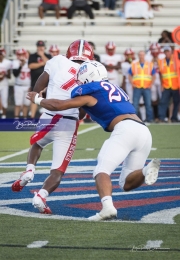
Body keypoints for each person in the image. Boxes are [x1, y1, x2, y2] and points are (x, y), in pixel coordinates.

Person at [27, 60, 160, 220]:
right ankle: (147, 170)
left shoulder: (90, 92)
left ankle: (107, 207)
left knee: (101, 171)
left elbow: (60, 105)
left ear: (87, 78)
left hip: (125, 129)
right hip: (144, 131)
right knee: (125, 183)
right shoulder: (114, 88)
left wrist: (38, 99)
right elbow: (83, 113)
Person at [12, 40, 94, 215]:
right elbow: (84, 107)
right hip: (68, 120)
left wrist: (37, 95)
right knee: (58, 170)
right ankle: (41, 196)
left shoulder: (57, 60)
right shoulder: (93, 69)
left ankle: (29, 170)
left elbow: (40, 84)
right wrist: (79, 118)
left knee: (38, 144)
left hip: (48, 114)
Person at [128, 50, 155, 122]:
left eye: (142, 55)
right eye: (140, 55)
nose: (141, 56)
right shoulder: (134, 64)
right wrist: (132, 83)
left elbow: (154, 75)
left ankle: (150, 119)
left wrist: (151, 84)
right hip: (137, 87)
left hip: (146, 87)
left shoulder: (150, 64)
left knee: (148, 104)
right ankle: (135, 119)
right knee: (135, 104)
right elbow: (130, 75)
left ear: (144, 56)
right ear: (138, 56)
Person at [28, 40, 51, 118]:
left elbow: (49, 64)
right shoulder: (32, 56)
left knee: (46, 99)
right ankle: (32, 117)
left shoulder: (48, 55)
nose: (40, 48)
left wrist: (42, 56)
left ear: (44, 47)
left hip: (47, 82)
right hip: (35, 81)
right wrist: (42, 63)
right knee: (34, 99)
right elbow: (31, 66)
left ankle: (46, 117)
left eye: (41, 46)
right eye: (39, 46)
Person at [158, 46, 179, 122]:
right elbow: (161, 74)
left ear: (171, 52)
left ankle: (174, 118)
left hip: (175, 85)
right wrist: (161, 85)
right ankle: (161, 117)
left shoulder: (176, 59)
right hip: (166, 85)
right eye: (165, 51)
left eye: (168, 51)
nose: (167, 53)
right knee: (163, 102)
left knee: (176, 102)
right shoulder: (161, 61)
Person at [146, 43, 165, 121]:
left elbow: (163, 68)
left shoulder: (162, 56)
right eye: (153, 50)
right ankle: (155, 116)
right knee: (153, 99)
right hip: (152, 78)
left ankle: (162, 116)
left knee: (162, 98)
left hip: (160, 78)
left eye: (155, 50)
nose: (154, 52)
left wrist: (158, 60)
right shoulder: (148, 57)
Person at [12, 49, 31, 119]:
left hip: (27, 86)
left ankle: (24, 119)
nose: (21, 56)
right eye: (19, 54)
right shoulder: (15, 62)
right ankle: (16, 119)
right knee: (18, 103)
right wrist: (21, 66)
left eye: (22, 54)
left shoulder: (29, 62)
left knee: (26, 104)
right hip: (18, 86)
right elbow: (15, 74)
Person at [0, 48, 11, 119]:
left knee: (4, 99)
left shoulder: (8, 63)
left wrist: (5, 74)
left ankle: (4, 115)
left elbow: (9, 76)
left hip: (4, 84)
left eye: (1, 54)